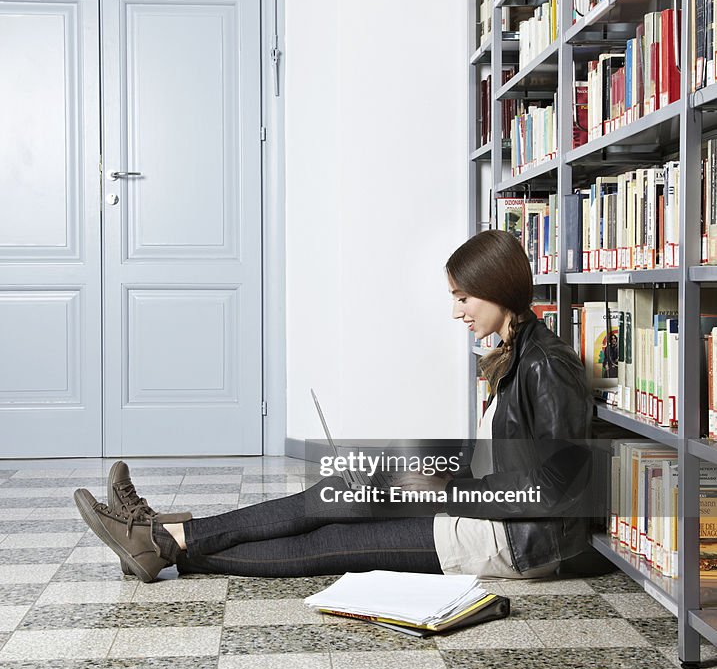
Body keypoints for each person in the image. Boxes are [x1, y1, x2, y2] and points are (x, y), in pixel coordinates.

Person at [74, 230, 594, 583]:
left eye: (463, 298)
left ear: (496, 288)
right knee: (336, 493)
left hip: (512, 540)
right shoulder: (516, 350)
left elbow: (554, 489)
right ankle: (163, 533)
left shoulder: (548, 365)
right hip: (480, 503)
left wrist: (448, 488)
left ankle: (158, 540)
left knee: (336, 538)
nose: (456, 311)